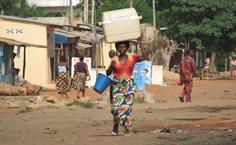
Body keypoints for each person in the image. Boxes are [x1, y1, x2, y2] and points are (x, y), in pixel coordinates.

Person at [106, 39, 148, 135]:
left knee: (127, 109)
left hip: (129, 85)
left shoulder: (132, 57)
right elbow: (108, 73)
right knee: (115, 109)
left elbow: (146, 57)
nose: (122, 49)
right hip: (117, 85)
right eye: (120, 47)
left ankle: (127, 128)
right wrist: (111, 67)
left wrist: (140, 43)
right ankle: (116, 123)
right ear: (117, 48)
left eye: (124, 46)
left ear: (127, 48)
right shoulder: (114, 59)